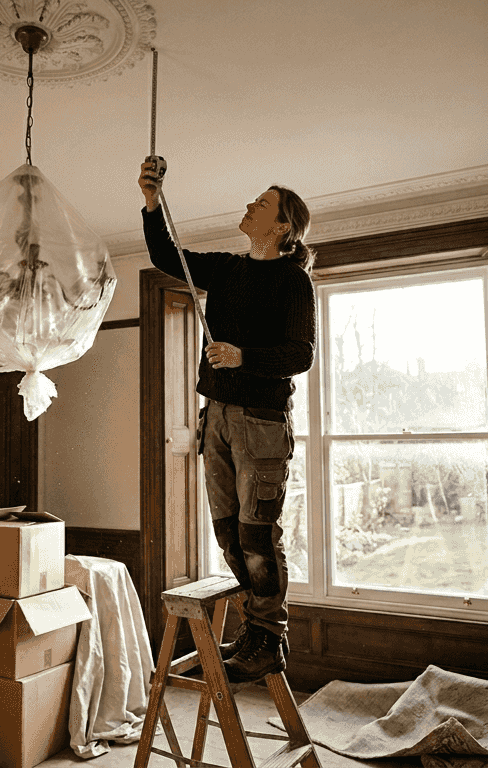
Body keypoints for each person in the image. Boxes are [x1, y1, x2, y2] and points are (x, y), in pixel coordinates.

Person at [138, 159, 316, 683]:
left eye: (261, 204)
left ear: (283, 227)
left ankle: (269, 637)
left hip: (260, 420)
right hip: (214, 415)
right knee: (228, 533)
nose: (248, 207)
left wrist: (244, 357)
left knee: (257, 533)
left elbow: (300, 354)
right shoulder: (228, 269)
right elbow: (165, 254)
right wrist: (152, 199)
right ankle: (255, 629)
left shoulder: (292, 281)